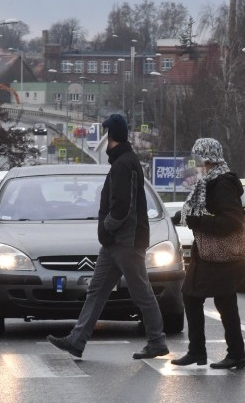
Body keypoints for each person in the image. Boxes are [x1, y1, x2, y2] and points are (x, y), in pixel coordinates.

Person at [47, 114, 169, 360]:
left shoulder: (124, 164)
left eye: (106, 133)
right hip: (114, 243)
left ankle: (157, 341)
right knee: (97, 291)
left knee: (141, 293)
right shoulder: (123, 161)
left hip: (126, 241)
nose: (104, 139)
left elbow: (122, 207)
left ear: (111, 135)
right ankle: (76, 340)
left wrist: (107, 226)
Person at [170, 138, 245, 369]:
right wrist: (179, 218)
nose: (194, 163)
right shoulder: (208, 181)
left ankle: (228, 354)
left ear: (208, 159)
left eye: (197, 158)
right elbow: (200, 212)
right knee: (198, 297)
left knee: (213, 301)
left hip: (221, 255)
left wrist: (197, 221)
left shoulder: (222, 183)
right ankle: (204, 352)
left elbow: (231, 221)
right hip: (209, 252)